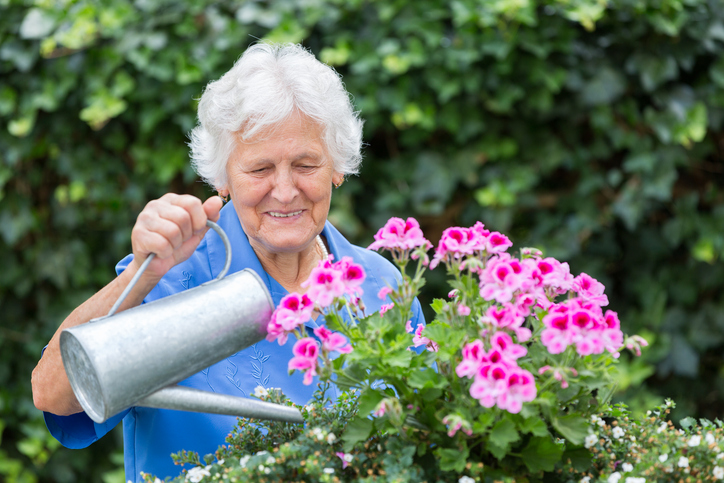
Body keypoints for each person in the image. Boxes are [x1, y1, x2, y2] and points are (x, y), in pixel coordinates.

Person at [31, 42, 425, 482]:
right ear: (223, 178)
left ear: (336, 166)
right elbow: (54, 395)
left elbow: (421, 434)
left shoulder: (380, 284)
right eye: (259, 169)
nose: (285, 189)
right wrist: (146, 274)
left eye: (305, 164)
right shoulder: (175, 281)